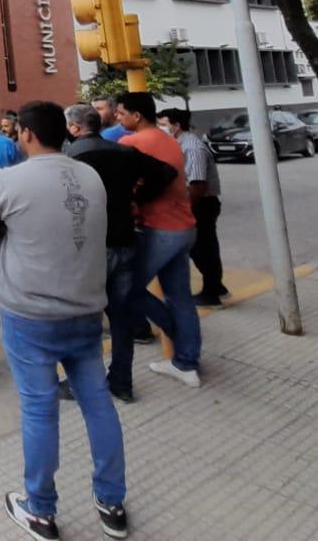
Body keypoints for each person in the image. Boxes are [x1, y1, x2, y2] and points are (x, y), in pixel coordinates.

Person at [0, 101, 128, 541]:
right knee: (98, 401)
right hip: (85, 309)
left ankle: (40, 510)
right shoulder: (89, 176)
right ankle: (111, 503)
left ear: (23, 134)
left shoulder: (9, 179)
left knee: (39, 409)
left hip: (30, 314)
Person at [65, 103, 177, 404]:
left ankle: (81, 384)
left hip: (90, 248)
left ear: (75, 128)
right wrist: (137, 196)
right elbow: (165, 171)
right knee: (121, 317)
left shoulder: (72, 158)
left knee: (86, 318)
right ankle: (121, 381)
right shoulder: (123, 152)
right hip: (124, 241)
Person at [116, 92, 202, 388]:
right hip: (185, 227)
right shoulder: (169, 139)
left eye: (120, 112)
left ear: (136, 116)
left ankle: (179, 336)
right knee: (180, 297)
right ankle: (186, 362)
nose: (117, 117)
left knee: (127, 287)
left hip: (159, 229)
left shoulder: (130, 144)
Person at [159, 107, 227, 306]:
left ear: (176, 126)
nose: (160, 129)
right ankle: (216, 285)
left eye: (163, 125)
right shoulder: (179, 144)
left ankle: (212, 290)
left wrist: (184, 210)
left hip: (201, 204)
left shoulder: (191, 147)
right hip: (198, 203)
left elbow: (197, 185)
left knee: (202, 248)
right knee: (204, 247)